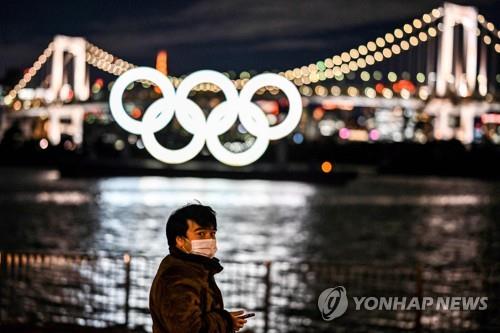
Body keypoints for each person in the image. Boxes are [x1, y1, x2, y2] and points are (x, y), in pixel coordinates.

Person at [149, 203, 248, 333]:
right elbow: (187, 329)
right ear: (180, 240)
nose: (209, 239)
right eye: (201, 234)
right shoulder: (177, 276)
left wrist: (226, 320)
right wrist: (226, 321)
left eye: (212, 234)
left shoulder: (194, 269)